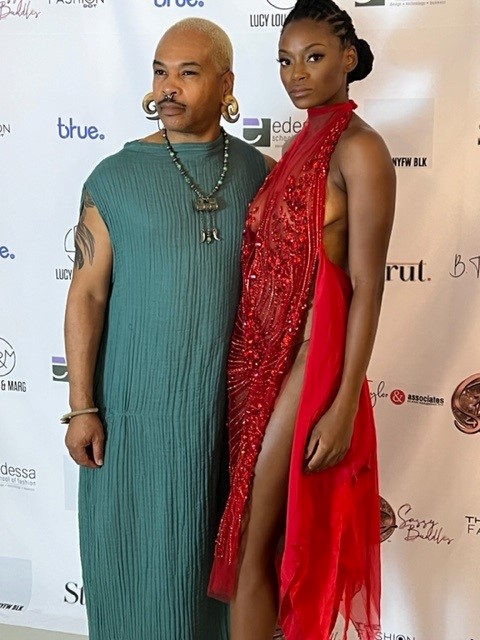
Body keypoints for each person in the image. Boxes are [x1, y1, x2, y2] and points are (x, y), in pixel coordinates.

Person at [63, 18, 273, 640]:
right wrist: (81, 407)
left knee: (216, 578)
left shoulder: (262, 176)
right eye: (160, 71)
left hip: (228, 421)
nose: (168, 88)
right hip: (134, 415)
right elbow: (87, 293)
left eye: (188, 72)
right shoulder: (115, 178)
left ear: (227, 82)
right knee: (135, 568)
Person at [209, 1, 396, 639]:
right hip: (256, 359)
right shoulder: (299, 141)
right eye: (285, 60)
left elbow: (368, 284)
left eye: (314, 57)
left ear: (349, 59)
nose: (297, 73)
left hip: (309, 358)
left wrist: (343, 405)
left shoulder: (361, 148)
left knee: (257, 537)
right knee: (248, 534)